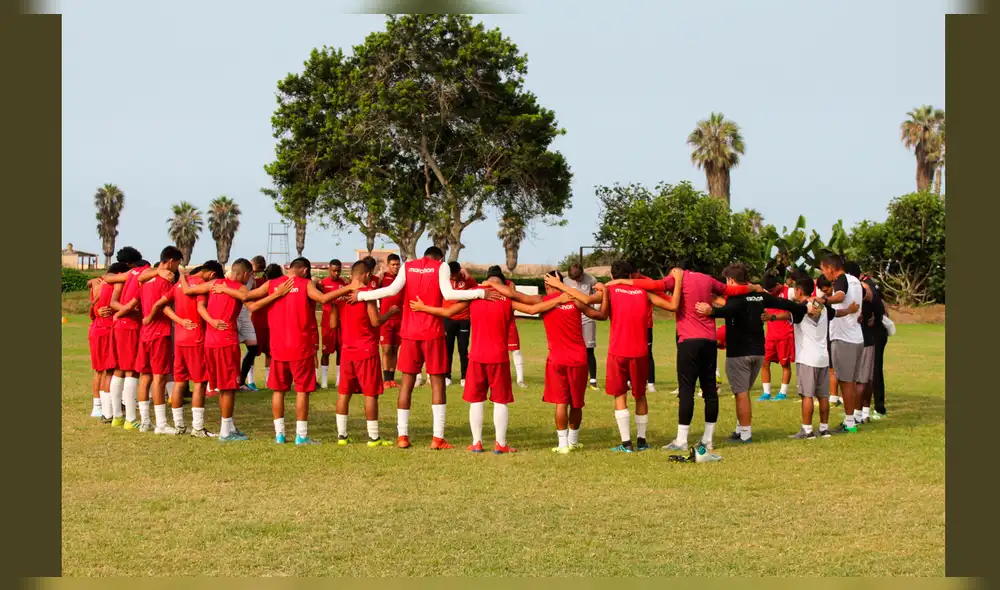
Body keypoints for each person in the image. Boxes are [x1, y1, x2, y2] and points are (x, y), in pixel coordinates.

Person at [350, 246, 504, 450]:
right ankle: (437, 438)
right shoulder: (440, 267)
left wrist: (361, 296)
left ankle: (402, 436)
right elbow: (448, 294)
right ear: (440, 257)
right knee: (438, 384)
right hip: (433, 333)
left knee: (406, 384)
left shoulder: (408, 266)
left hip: (410, 333)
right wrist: (480, 293)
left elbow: (391, 291)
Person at [412, 267, 569, 453]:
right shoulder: (507, 299)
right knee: (500, 401)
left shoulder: (475, 296)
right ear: (502, 282)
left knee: (476, 401)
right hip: (499, 357)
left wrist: (423, 308)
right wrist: (559, 299)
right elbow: (533, 309)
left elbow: (448, 312)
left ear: (486, 281)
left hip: (476, 357)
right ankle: (500, 444)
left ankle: (477, 442)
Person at [610, 267, 757, 454]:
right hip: (709, 341)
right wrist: (753, 288)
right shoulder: (707, 278)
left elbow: (654, 285)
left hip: (688, 341)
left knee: (686, 390)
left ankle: (681, 440)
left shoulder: (677, 278)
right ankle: (708, 440)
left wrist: (623, 281)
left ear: (678, 269)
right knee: (710, 391)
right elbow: (732, 290)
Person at [565, 262, 683, 453]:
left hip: (618, 352)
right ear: (631, 275)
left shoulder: (609, 291)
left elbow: (586, 300)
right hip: (641, 352)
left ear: (613, 276)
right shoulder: (644, 292)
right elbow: (673, 305)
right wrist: (677, 281)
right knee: (641, 396)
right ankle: (642, 442)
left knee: (620, 395)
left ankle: (626, 444)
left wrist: (563, 289)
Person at [694, 263, 809, 446]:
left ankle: (746, 434)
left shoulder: (736, 297)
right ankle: (740, 429)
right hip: (758, 353)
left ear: (731, 280)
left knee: (740, 393)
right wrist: (803, 307)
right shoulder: (759, 296)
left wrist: (711, 311)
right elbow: (782, 303)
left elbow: (729, 310)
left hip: (739, 353)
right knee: (744, 393)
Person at [143, 261, 225, 437]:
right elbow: (200, 307)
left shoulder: (180, 283)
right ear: (212, 275)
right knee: (200, 383)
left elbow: (161, 305)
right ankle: (197, 427)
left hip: (179, 339)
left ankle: (179, 425)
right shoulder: (201, 285)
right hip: (196, 338)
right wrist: (212, 321)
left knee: (179, 382)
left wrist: (175, 320)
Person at [328, 261, 403, 445]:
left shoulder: (341, 294)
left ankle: (342, 436)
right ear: (366, 274)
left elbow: (333, 324)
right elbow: (375, 322)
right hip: (366, 349)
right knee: (370, 394)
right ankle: (373, 437)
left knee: (344, 394)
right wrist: (390, 312)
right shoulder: (366, 294)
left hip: (347, 350)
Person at [180, 258, 254, 441]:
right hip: (226, 342)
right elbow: (246, 298)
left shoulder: (214, 283)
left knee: (223, 387)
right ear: (245, 274)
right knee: (228, 388)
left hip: (210, 342)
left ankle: (229, 426)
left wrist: (182, 276)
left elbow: (188, 290)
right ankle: (225, 432)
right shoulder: (240, 288)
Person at [536, 271, 609, 453]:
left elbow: (516, 299)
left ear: (547, 284)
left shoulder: (543, 302)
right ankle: (573, 442)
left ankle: (563, 445)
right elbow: (602, 315)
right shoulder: (575, 301)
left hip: (557, 359)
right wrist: (605, 294)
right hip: (578, 358)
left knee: (561, 402)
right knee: (576, 402)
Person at [788, 275, 859, 439]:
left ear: (799, 291)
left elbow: (787, 316)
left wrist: (772, 317)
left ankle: (807, 430)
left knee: (807, 395)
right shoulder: (823, 307)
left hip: (807, 358)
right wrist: (850, 310)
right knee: (823, 396)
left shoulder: (802, 308)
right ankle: (824, 429)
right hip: (823, 358)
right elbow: (838, 313)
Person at [127, 246, 184, 434]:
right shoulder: (166, 280)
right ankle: (161, 424)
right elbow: (164, 307)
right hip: (160, 332)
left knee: (145, 377)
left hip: (145, 333)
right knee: (159, 378)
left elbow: (137, 288)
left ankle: (145, 422)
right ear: (170, 261)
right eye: (177, 264)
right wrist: (181, 320)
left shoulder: (146, 280)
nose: (176, 268)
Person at [814, 253, 866, 434]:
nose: (823, 273)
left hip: (844, 338)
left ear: (830, 268)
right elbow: (864, 298)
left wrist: (824, 300)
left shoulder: (841, 280)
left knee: (845, 382)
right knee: (850, 382)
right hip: (857, 337)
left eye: (823, 269)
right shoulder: (856, 281)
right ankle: (851, 419)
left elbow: (841, 297)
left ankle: (850, 423)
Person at [108, 249, 148, 430]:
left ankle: (117, 415)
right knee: (132, 371)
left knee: (118, 370)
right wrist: (128, 311)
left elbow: (112, 301)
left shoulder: (126, 275)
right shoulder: (143, 274)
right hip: (131, 326)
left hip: (119, 327)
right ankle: (130, 419)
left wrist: (120, 313)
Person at [89, 263, 129, 422]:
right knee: (107, 371)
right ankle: (102, 408)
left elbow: (92, 305)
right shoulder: (112, 285)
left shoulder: (99, 283)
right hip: (105, 330)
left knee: (102, 370)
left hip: (97, 328)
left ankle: (101, 406)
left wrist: (95, 311)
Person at [846, 262, 884, 424]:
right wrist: (875, 317)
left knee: (859, 380)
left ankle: (855, 416)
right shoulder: (865, 288)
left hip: (858, 338)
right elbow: (879, 305)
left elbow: (877, 305)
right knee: (866, 378)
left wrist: (872, 318)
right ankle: (864, 413)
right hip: (866, 337)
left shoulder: (859, 289)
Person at [563, 264, 600, 390]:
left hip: (588, 319)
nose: (576, 281)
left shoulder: (592, 280)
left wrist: (596, 311)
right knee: (572, 349)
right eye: (574, 279)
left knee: (589, 350)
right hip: (571, 319)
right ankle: (573, 378)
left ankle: (593, 381)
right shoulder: (565, 281)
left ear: (582, 274)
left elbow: (598, 296)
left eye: (578, 278)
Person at [630, 266, 667, 394]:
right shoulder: (624, 282)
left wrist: (675, 303)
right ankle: (630, 381)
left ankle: (650, 383)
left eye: (634, 273)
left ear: (638, 271)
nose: (632, 277)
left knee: (647, 354)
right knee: (629, 353)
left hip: (646, 324)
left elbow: (662, 295)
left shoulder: (648, 282)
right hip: (629, 324)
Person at [759, 275, 796, 401]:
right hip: (770, 335)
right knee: (764, 363)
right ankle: (766, 393)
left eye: (771, 290)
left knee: (785, 365)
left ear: (777, 285)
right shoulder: (765, 293)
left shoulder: (789, 292)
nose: (769, 293)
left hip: (785, 335)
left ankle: (782, 393)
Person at [443, 261, 477, 388]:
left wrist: (466, 272)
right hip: (448, 318)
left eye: (455, 274)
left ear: (459, 272)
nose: (453, 277)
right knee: (447, 348)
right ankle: (447, 376)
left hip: (464, 319)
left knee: (463, 349)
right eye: (451, 275)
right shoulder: (444, 279)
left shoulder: (467, 279)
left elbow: (477, 291)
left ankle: (465, 376)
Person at [238, 255, 268, 391]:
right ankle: (214, 385)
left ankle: (243, 382)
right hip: (237, 316)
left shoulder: (253, 279)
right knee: (229, 349)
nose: (255, 273)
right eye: (255, 270)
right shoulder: (238, 276)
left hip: (245, 317)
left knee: (253, 348)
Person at [318, 259, 348, 389]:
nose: (336, 273)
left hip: (342, 322)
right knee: (326, 352)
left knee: (341, 351)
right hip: (327, 322)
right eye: (333, 270)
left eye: (338, 270)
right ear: (329, 270)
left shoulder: (344, 284)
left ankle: (339, 380)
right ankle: (324, 381)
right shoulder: (323, 284)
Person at [496, 268, 526, 389]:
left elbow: (514, 300)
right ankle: (501, 378)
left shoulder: (509, 284)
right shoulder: (487, 286)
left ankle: (520, 379)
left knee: (516, 350)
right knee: (498, 350)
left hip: (509, 322)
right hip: (494, 323)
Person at [379, 254, 405, 389]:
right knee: (387, 349)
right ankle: (385, 379)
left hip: (399, 319)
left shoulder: (402, 279)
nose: (395, 267)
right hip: (386, 318)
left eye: (397, 264)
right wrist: (379, 274)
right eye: (393, 264)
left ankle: (392, 378)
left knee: (395, 349)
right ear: (388, 265)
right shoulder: (383, 277)